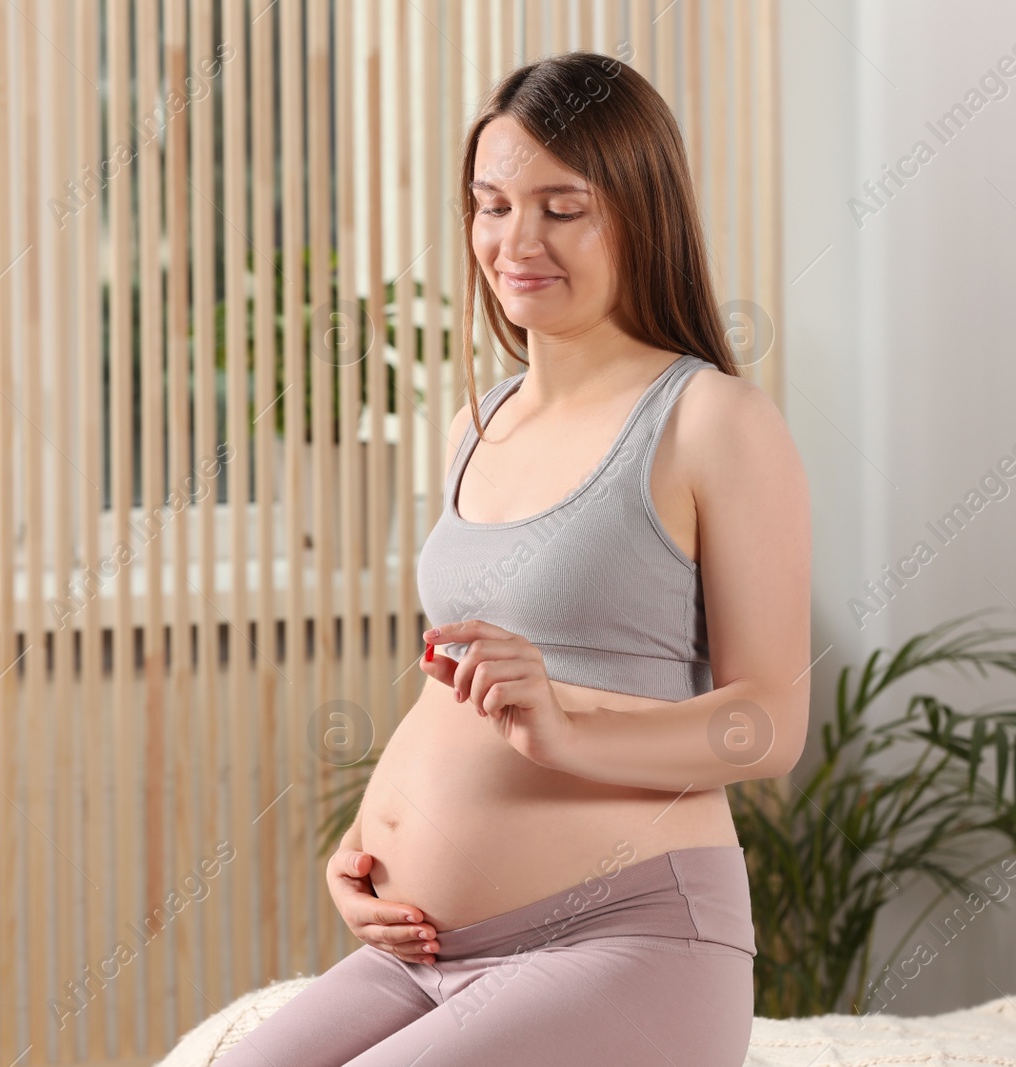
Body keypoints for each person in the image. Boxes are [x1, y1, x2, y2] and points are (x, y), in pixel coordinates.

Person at [217, 50, 812, 1067]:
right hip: (431, 947)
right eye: (490, 205)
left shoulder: (711, 419)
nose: (514, 239)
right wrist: (366, 847)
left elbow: (768, 727)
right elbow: (454, 691)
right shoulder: (478, 419)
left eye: (559, 206)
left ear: (638, 211)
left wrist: (564, 726)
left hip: (625, 932)